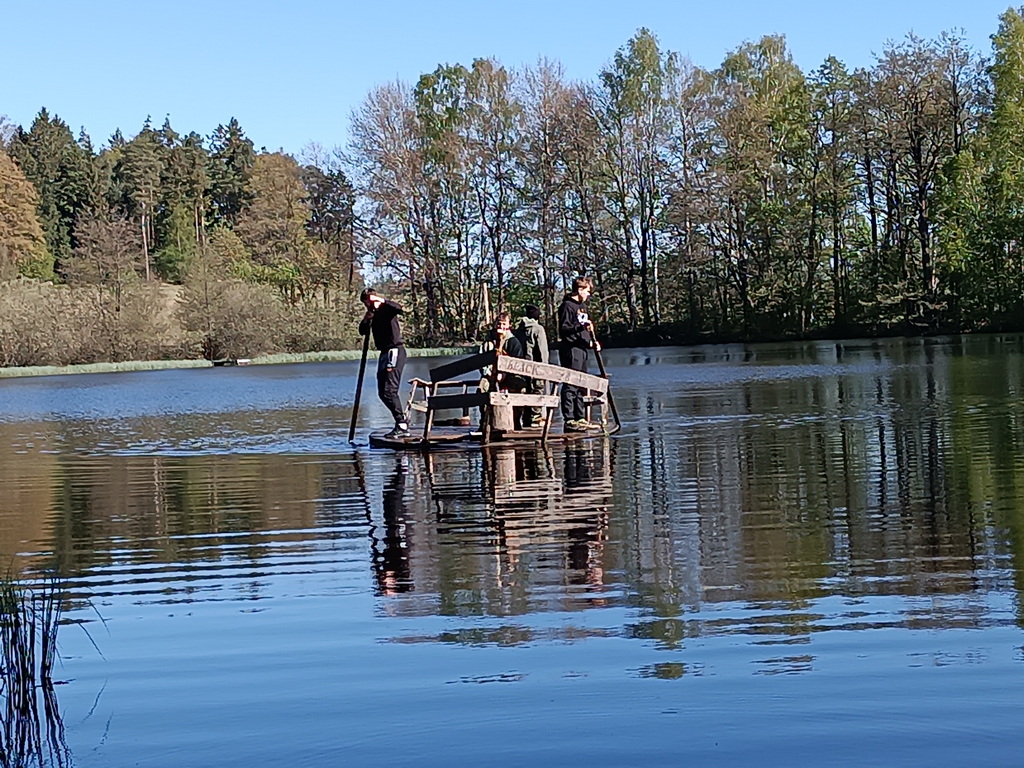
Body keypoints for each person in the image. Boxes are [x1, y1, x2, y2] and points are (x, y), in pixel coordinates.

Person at [358, 287, 409, 439]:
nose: (368, 304)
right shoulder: (372, 314)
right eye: (366, 302)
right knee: (382, 392)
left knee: (389, 391)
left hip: (394, 351)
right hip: (384, 353)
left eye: (369, 301)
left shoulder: (387, 309)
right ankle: (401, 421)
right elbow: (362, 330)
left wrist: (381, 301)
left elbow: (398, 308)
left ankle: (402, 424)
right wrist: (368, 315)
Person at [557, 277, 602, 432]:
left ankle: (580, 417)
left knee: (581, 384)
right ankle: (569, 419)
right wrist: (580, 327)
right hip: (570, 349)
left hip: (582, 349)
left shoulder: (582, 307)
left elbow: (584, 330)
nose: (589, 295)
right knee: (571, 383)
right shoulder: (566, 306)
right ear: (580, 289)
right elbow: (564, 329)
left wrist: (591, 342)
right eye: (588, 291)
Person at [514, 304, 549, 429]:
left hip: (521, 367)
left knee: (525, 391)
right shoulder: (538, 329)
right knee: (537, 390)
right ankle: (535, 418)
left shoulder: (519, 330)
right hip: (536, 367)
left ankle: (526, 419)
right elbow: (542, 351)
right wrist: (545, 368)